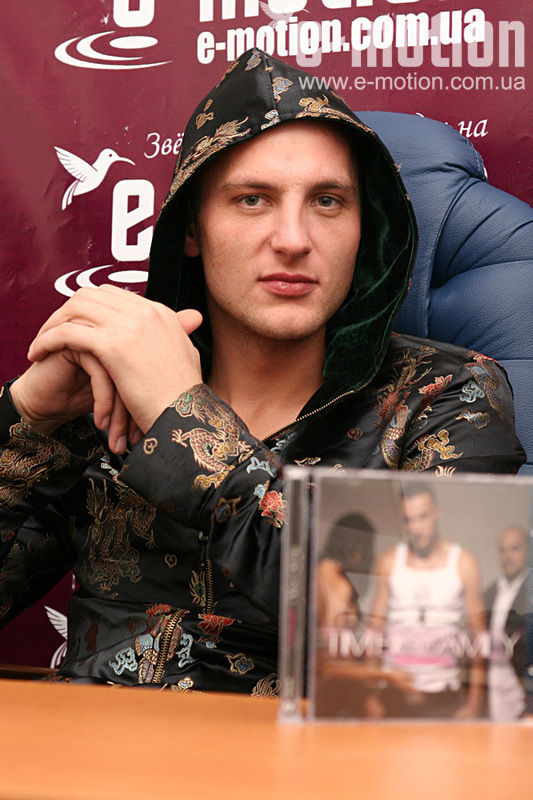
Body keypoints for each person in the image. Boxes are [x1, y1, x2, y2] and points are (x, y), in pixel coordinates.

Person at [0, 49, 525, 692]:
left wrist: (182, 421)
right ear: (192, 229)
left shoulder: (445, 396)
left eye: (328, 201)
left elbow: (442, 650)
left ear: (366, 230)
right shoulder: (108, 393)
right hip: (87, 744)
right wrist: (26, 419)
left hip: (312, 752)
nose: (293, 239)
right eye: (252, 199)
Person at [366, 484, 486, 718]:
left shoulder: (464, 564)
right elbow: (374, 632)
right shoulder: (390, 562)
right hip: (393, 692)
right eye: (408, 520)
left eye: (423, 517)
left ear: (436, 512)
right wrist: (371, 695)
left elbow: (479, 638)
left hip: (444, 695)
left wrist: (475, 702)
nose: (416, 528)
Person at [485, 526, 530, 720]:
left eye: (514, 548)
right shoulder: (490, 593)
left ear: (528, 551)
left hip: (523, 697)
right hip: (493, 696)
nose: (507, 556)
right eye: (502, 550)